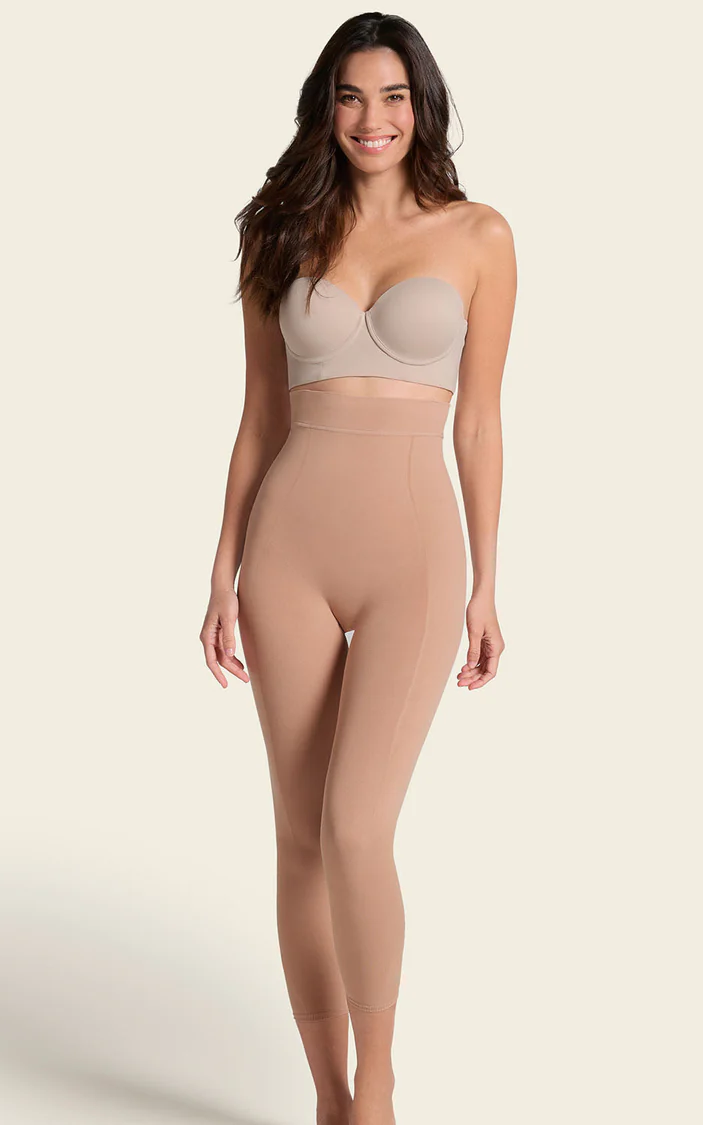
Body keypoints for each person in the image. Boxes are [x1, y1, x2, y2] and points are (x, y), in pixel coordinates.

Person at [201, 13, 516, 1124]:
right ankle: (328, 1096)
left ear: (421, 106)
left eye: (392, 96)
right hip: (287, 550)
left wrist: (486, 582)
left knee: (353, 829)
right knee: (298, 838)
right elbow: (257, 419)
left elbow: (478, 422)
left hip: (414, 560)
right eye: (349, 95)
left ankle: (377, 1086)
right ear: (324, 108)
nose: (371, 118)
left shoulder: (479, 235)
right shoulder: (279, 228)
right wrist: (221, 572)